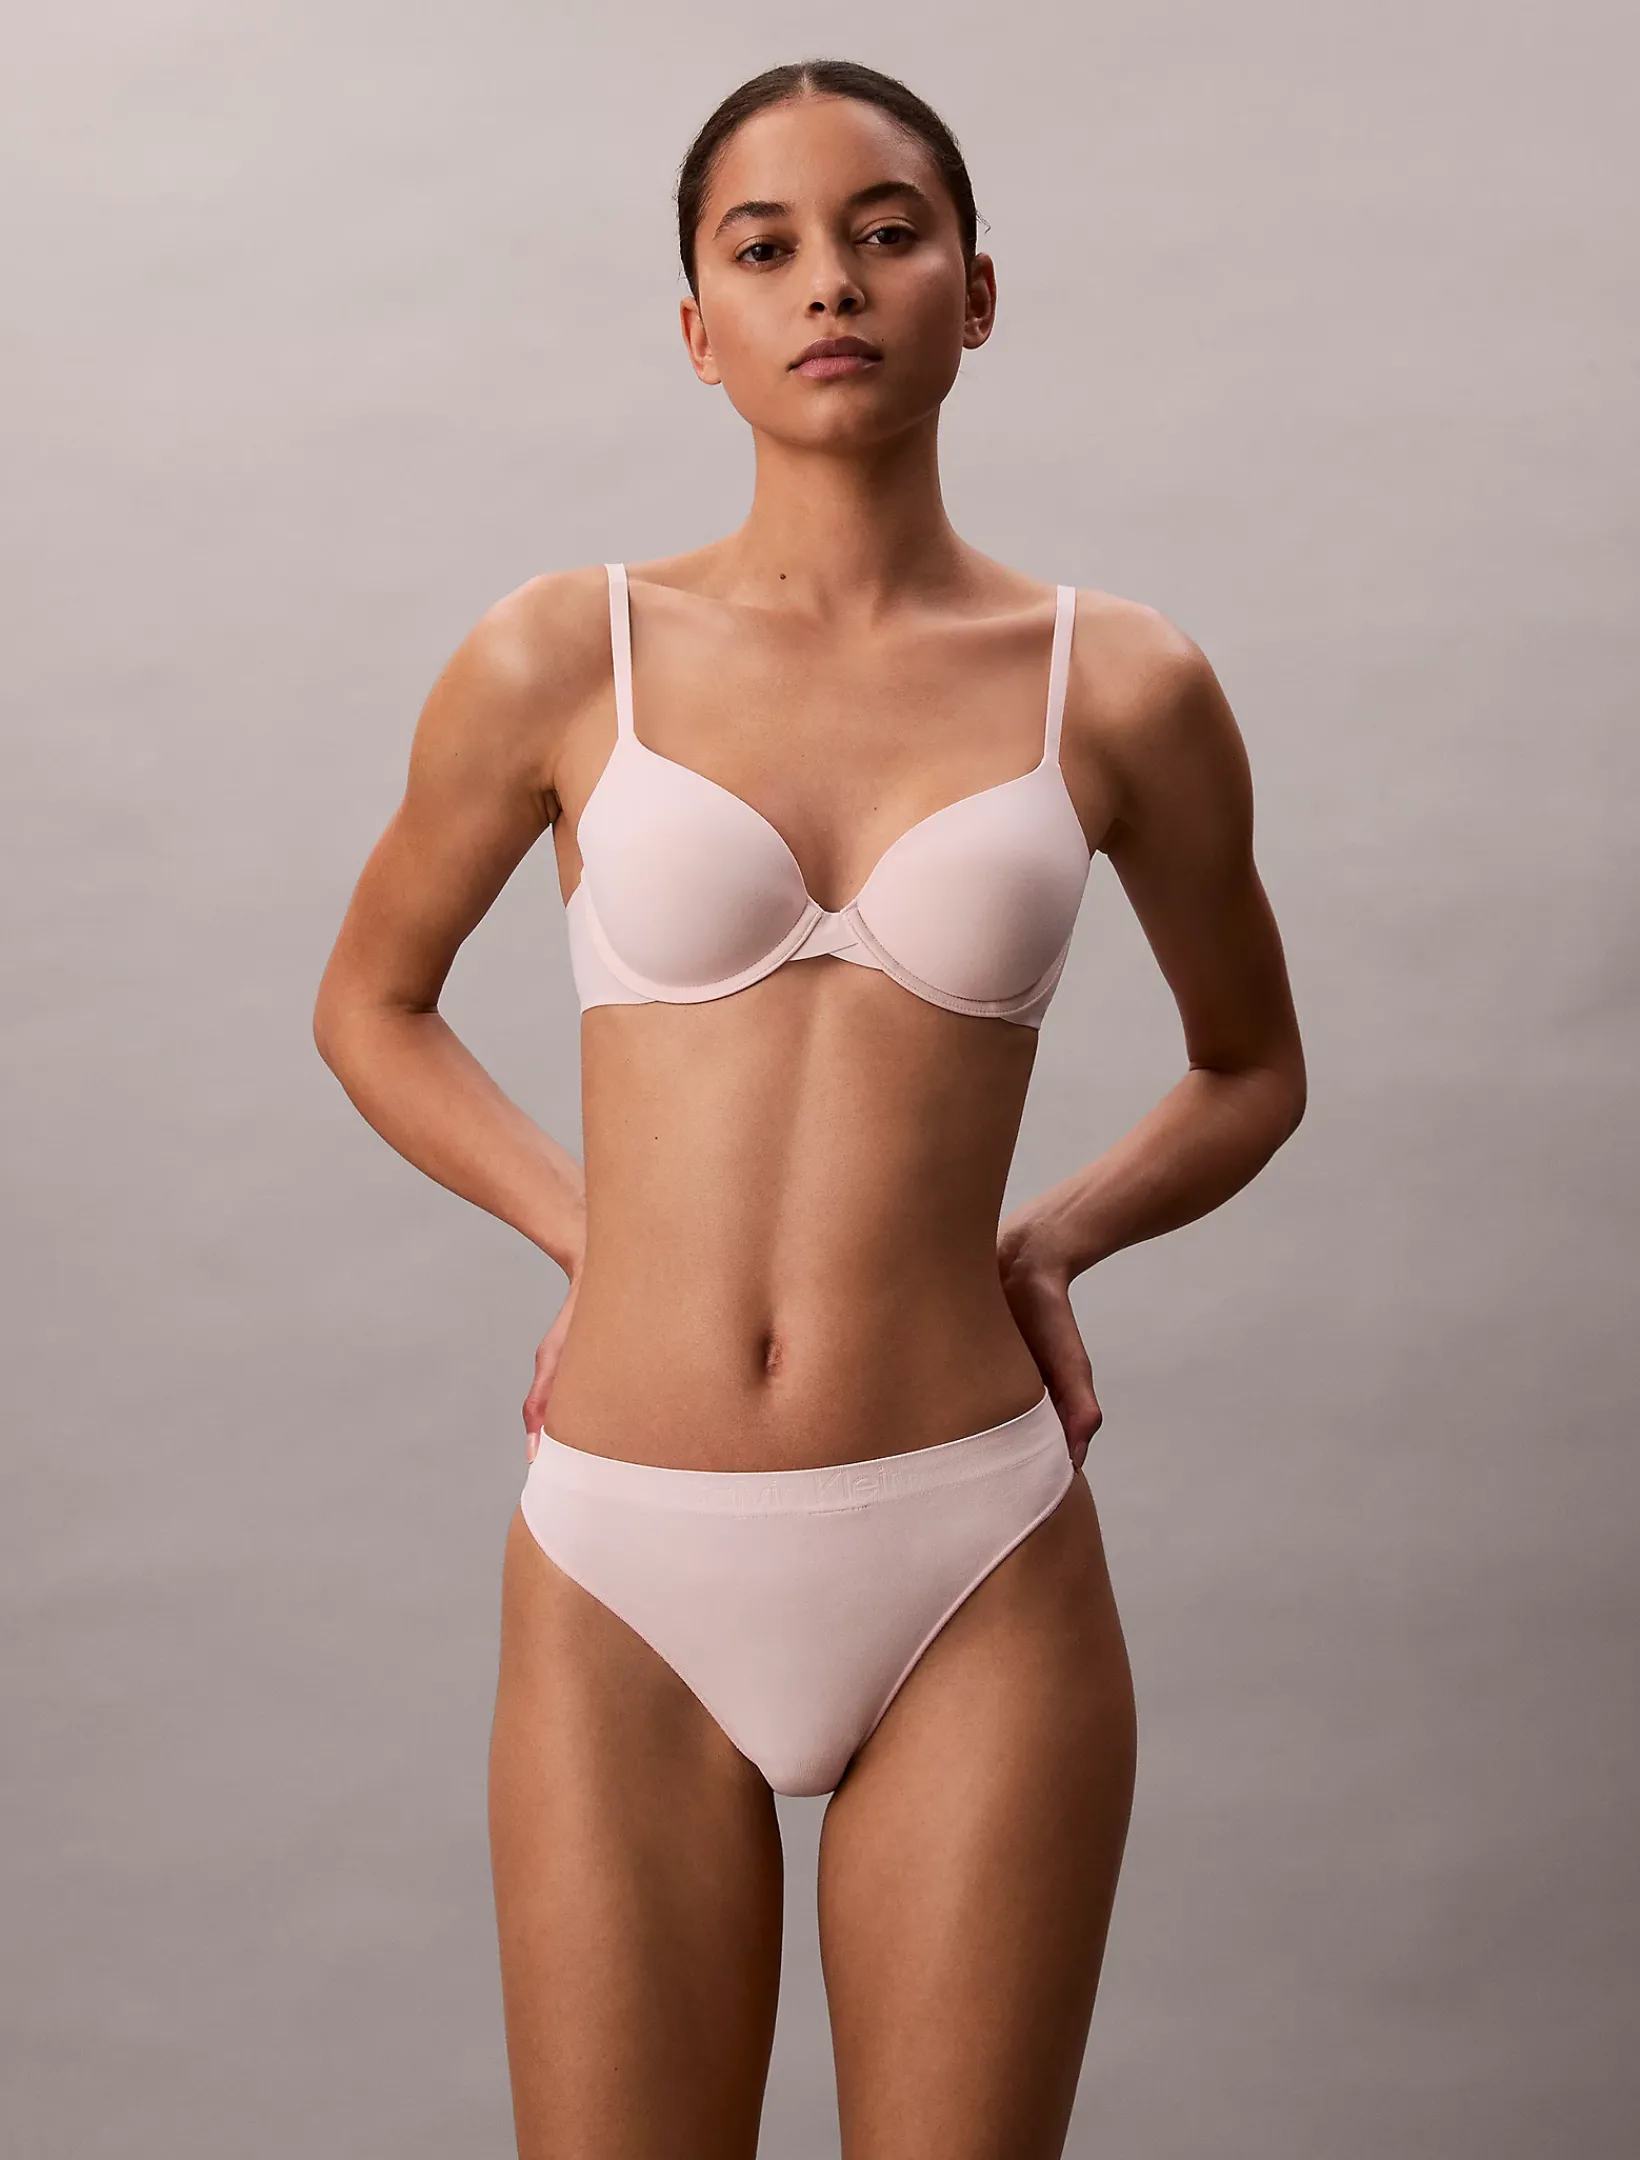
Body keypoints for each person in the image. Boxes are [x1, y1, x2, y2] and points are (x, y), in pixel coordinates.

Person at [313, 55, 1306, 2160]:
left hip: (970, 1548)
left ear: (977, 290)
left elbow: (1252, 1067)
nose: (828, 283)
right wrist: (597, 1233)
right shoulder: (563, 656)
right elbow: (370, 1005)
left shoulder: (1118, 683)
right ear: (699, 329)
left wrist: (1053, 1240)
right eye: (763, 249)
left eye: (885, 232)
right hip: (624, 1555)